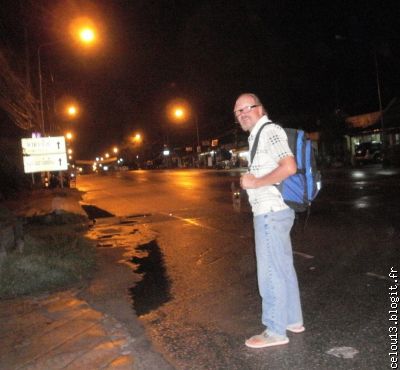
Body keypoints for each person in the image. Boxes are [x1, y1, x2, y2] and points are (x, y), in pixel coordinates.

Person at [234, 93, 304, 348]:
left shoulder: (269, 131)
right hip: (277, 211)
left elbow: (289, 166)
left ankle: (275, 330)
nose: (242, 114)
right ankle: (293, 320)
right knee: (283, 266)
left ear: (260, 108)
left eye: (247, 108)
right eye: (238, 112)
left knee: (271, 271)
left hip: (270, 213)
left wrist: (255, 182)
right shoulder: (258, 135)